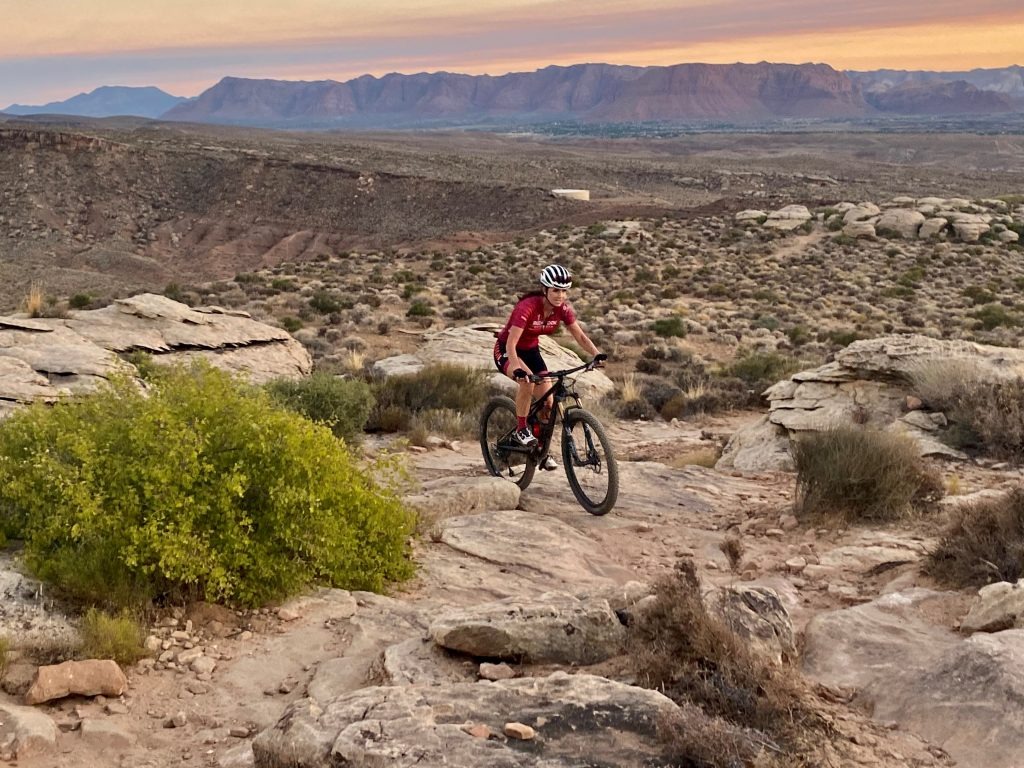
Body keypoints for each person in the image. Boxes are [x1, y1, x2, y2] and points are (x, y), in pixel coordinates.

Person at [493, 264, 604, 470]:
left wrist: (596, 354)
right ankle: (521, 429)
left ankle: (541, 451)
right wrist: (518, 369)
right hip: (508, 349)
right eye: (555, 290)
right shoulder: (527, 307)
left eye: (564, 291)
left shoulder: (562, 310)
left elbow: (580, 336)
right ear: (545, 290)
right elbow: (511, 343)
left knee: (548, 404)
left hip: (531, 351)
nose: (560, 296)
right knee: (527, 382)